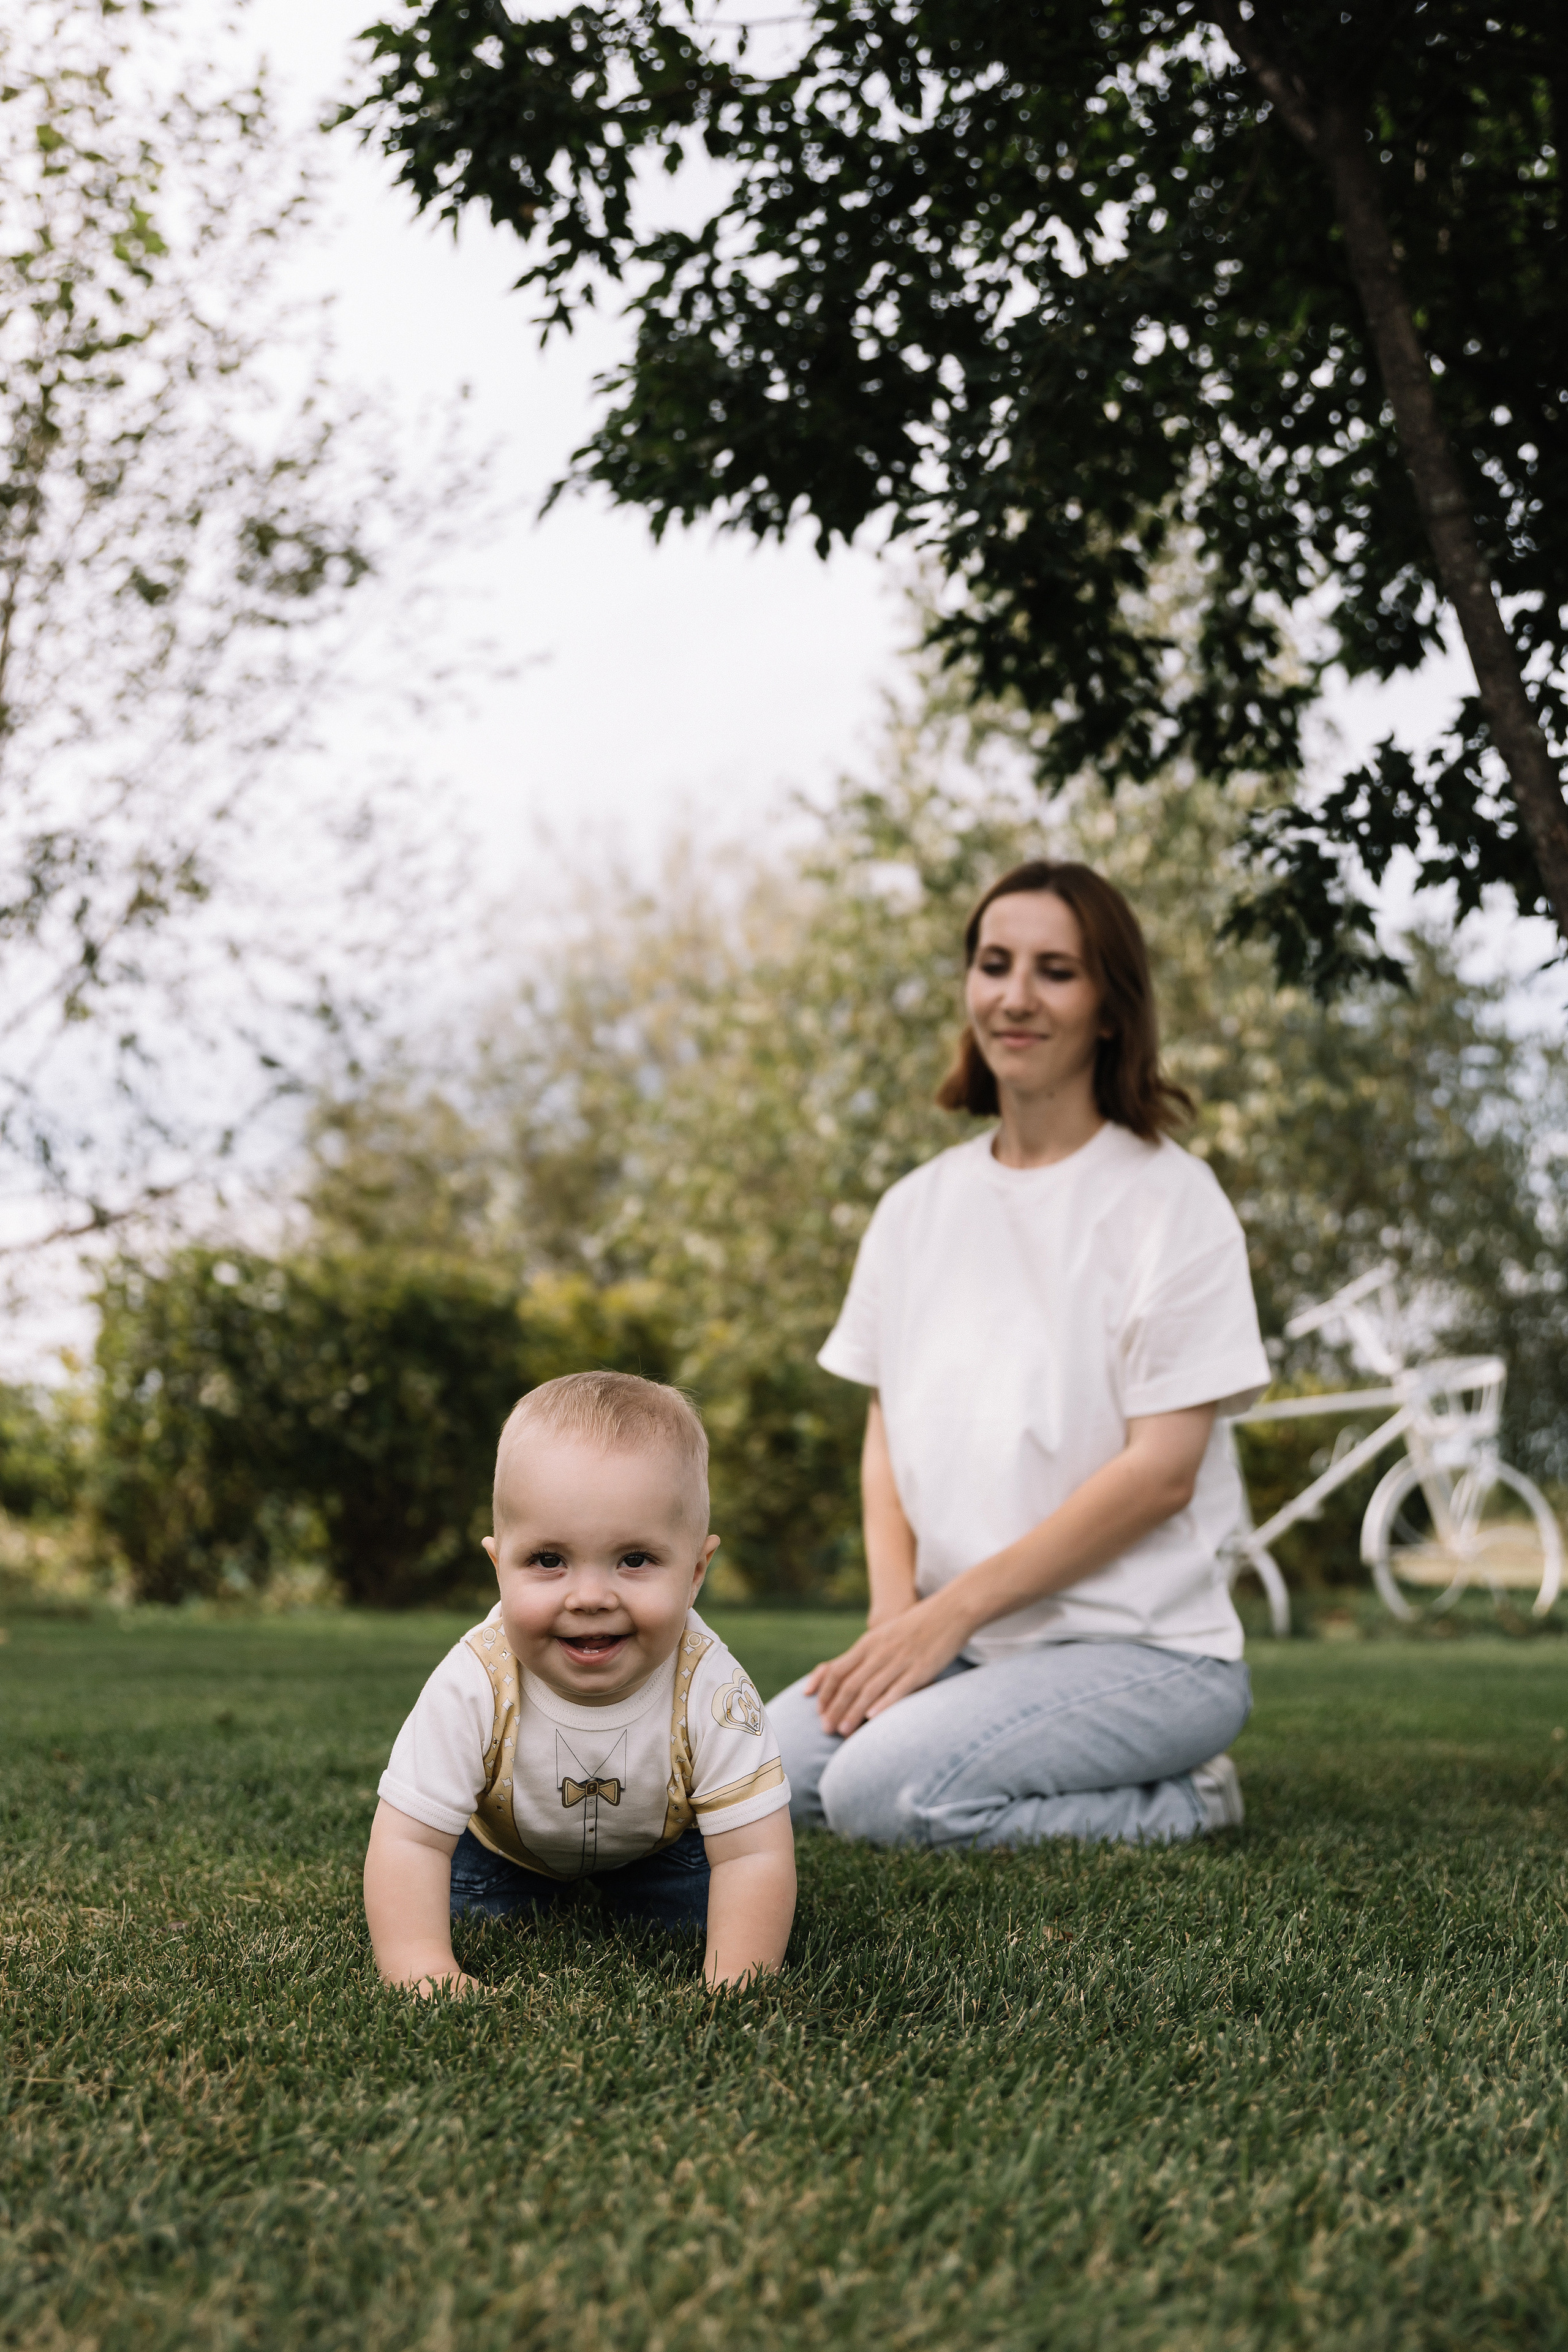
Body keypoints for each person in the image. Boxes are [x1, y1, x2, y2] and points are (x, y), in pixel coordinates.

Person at [770, 860, 1271, 1849]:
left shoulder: (1172, 1202)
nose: (1016, 996)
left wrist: (948, 1614)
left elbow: (1164, 1473)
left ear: (1111, 1008)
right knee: (751, 1783)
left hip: (1148, 1651)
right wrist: (895, 1617)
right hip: (968, 1645)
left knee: (879, 1796)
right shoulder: (915, 1208)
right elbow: (886, 1433)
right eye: (994, 964)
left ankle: (1191, 1798)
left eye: (1057, 971)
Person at [364, 1371, 797, 1994]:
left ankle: (653, 1898)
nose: (590, 1597)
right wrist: (421, 1967)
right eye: (549, 1560)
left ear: (696, 1571)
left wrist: (735, 1981)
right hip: (501, 1853)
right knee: (442, 1902)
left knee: (724, 1911)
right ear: (499, 1567)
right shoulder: (477, 1679)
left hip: (659, 1851)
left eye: (634, 1560)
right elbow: (410, 1838)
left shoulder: (710, 1684)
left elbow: (754, 1850)